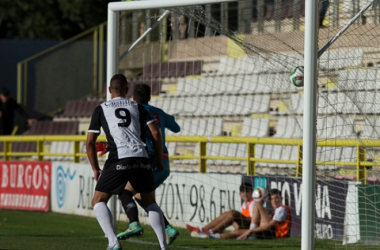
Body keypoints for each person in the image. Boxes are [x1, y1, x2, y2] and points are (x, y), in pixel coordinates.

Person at [86, 74, 168, 250]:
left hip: (119, 157)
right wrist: (160, 158)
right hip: (141, 157)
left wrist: (95, 168)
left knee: (98, 201)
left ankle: (113, 242)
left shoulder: (101, 108)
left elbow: (90, 142)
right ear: (127, 89)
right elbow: (155, 133)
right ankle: (163, 246)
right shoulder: (138, 107)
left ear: (109, 90)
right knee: (150, 202)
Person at [116, 83, 181, 245]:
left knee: (125, 191)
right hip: (164, 164)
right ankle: (168, 229)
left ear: (133, 98)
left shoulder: (134, 112)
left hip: (148, 161)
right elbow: (176, 128)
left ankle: (134, 224)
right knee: (142, 197)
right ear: (150, 98)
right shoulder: (158, 112)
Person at [185, 182, 256, 239]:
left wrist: (239, 217)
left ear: (252, 192)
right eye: (243, 192)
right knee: (227, 214)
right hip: (243, 225)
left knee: (232, 213)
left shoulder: (253, 203)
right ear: (240, 194)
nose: (245, 194)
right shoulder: (244, 204)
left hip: (249, 226)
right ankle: (202, 230)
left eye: (247, 192)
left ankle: (211, 231)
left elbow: (254, 220)